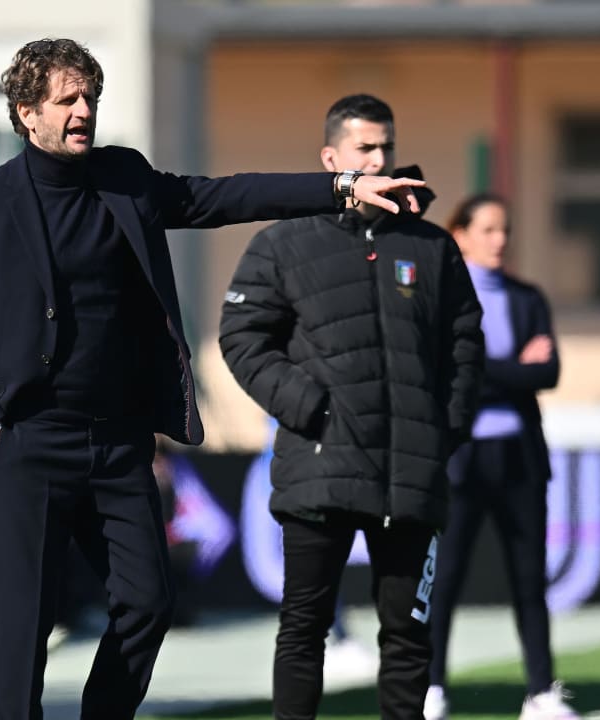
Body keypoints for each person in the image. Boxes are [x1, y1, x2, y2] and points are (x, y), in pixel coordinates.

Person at [0, 38, 427, 720]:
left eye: (90, 98)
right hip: (27, 441)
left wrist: (340, 187)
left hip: (119, 442)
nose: (82, 111)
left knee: (149, 603)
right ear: (26, 113)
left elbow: (224, 197)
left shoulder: (125, 178)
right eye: (66, 99)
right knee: (23, 635)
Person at [219, 94, 484, 720]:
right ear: (331, 157)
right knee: (305, 631)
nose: (380, 158)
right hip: (320, 467)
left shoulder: (429, 246)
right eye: (365, 148)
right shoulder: (281, 244)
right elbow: (242, 337)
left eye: (386, 146)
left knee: (408, 640)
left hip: (409, 474)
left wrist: (444, 427)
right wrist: (311, 409)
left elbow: (465, 342)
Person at [423, 193, 577, 720]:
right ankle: (432, 685)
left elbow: (548, 373)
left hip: (520, 459)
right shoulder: (441, 296)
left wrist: (487, 368)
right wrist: (512, 367)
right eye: (488, 229)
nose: (500, 240)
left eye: (505, 230)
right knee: (445, 580)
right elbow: (450, 372)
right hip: (461, 458)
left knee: (529, 579)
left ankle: (541, 691)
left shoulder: (528, 297)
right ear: (461, 234)